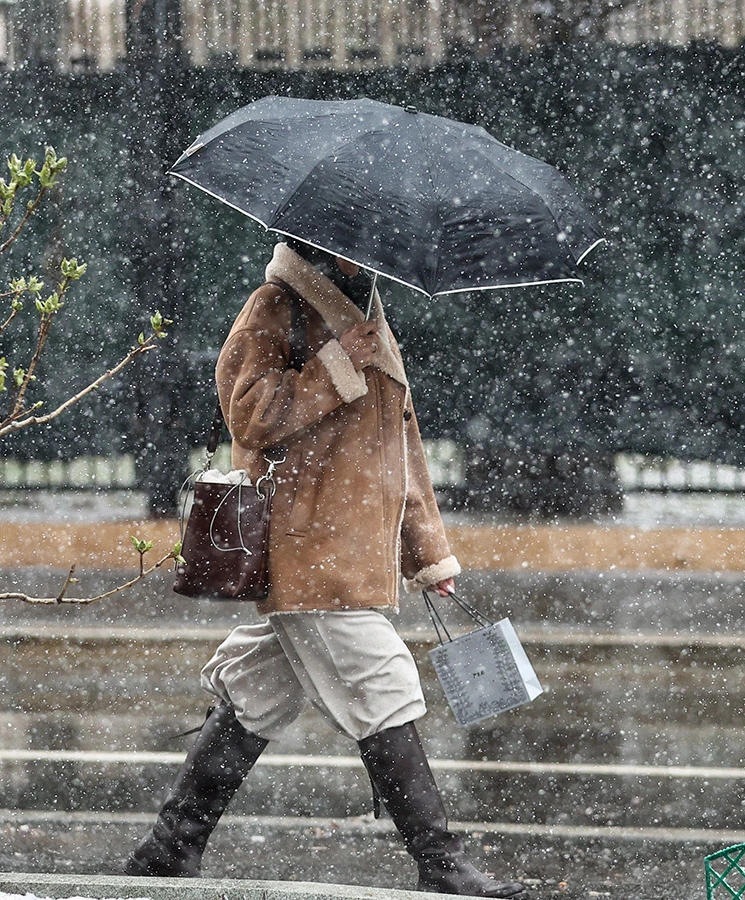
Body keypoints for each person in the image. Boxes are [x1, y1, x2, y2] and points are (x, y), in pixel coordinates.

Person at [123, 240, 526, 898]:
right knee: (385, 681)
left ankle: (171, 846)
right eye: (361, 245)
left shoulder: (369, 314)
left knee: (262, 692)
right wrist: (333, 367)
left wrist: (427, 554)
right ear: (325, 244)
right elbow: (250, 416)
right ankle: (439, 861)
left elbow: (402, 447)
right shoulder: (276, 307)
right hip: (303, 545)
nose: (375, 255)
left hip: (352, 551)